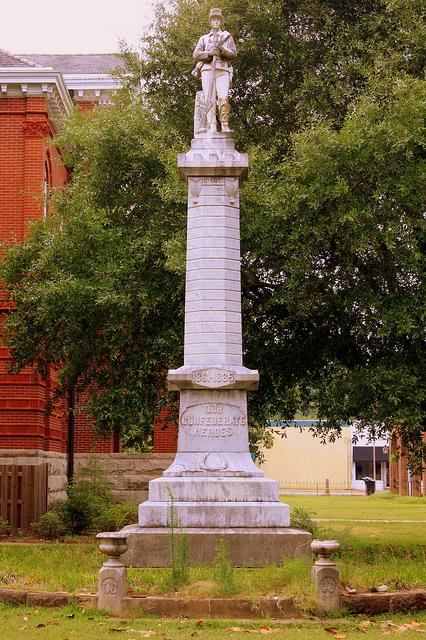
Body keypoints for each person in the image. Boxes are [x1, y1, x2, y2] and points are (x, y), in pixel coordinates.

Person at [192, 7, 236, 133]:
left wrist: (222, 50)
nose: (216, 21)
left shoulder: (226, 37)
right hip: (207, 70)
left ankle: (225, 125)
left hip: (222, 70)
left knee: (223, 97)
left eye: (218, 19)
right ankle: (212, 126)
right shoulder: (204, 38)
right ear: (210, 21)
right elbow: (196, 54)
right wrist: (209, 53)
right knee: (209, 99)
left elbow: (233, 53)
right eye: (213, 19)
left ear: (220, 21)